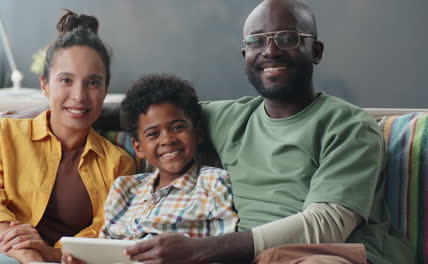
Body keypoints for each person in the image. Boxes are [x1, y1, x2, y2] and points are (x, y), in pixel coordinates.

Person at [122, 0, 414, 263]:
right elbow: (152, 110)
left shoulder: (348, 126)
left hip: (331, 254)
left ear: (316, 51)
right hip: (253, 257)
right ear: (245, 54)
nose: (270, 51)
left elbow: (327, 224)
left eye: (287, 39)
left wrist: (201, 249)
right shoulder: (228, 118)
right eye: (257, 41)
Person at [0, 10, 135, 264]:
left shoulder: (118, 164)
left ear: (106, 90)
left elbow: (105, 233)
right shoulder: (2, 134)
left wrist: (50, 253)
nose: (79, 95)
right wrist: (32, 258)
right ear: (44, 85)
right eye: (66, 80)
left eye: (93, 83)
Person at [62, 73, 238, 264]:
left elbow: (226, 253)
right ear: (138, 147)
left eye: (178, 127)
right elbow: (104, 252)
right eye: (153, 134)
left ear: (198, 133)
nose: (167, 140)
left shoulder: (213, 182)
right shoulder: (125, 188)